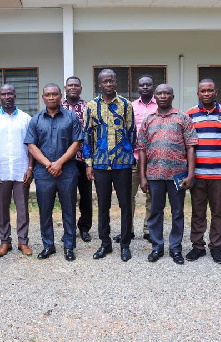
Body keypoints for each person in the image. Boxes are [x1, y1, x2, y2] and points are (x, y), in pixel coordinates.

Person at [138, 84, 198, 264]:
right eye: (160, 93)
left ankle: (175, 248)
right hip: (154, 175)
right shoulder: (148, 119)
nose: (163, 96)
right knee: (155, 212)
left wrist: (191, 174)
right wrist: (142, 176)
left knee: (177, 212)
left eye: (167, 93)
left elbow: (191, 147)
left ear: (172, 96)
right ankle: (157, 247)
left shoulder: (183, 118)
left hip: (177, 175)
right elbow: (141, 149)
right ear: (155, 96)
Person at [25, 83, 83, 261]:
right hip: (43, 173)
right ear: (43, 97)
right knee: (45, 211)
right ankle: (48, 245)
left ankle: (68, 246)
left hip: (68, 171)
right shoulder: (35, 120)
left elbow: (77, 143)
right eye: (47, 94)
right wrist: (48, 164)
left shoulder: (71, 118)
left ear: (60, 96)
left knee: (69, 210)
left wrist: (59, 163)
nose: (51, 97)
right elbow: (31, 145)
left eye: (54, 94)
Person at [83, 69, 136, 262]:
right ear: (99, 84)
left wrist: (127, 155)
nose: (108, 84)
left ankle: (124, 244)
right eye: (104, 81)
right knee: (103, 205)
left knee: (125, 205)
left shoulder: (125, 105)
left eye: (111, 81)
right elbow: (87, 136)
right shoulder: (91, 106)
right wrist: (89, 163)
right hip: (100, 164)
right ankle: (105, 243)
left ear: (115, 82)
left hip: (122, 164)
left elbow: (132, 131)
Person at [186, 79, 221, 264]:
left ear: (216, 92)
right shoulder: (190, 115)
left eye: (210, 90)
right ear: (198, 93)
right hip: (198, 173)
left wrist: (218, 156)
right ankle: (197, 246)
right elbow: (187, 144)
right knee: (198, 212)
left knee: (218, 211)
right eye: (203, 91)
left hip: (219, 173)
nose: (206, 93)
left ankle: (216, 247)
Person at [0, 84, 34, 258]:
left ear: (15, 96)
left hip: (21, 170)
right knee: (2, 208)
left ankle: (23, 242)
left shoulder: (26, 118)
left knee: (22, 209)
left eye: (10, 93)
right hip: (0, 170)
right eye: (3, 94)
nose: (7, 96)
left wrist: (30, 168)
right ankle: (5, 241)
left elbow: (31, 145)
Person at [113, 75, 157, 244]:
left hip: (153, 158)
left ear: (153, 87)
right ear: (137, 88)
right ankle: (128, 230)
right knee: (127, 196)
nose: (145, 87)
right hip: (132, 158)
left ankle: (149, 230)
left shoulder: (159, 105)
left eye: (148, 84)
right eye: (142, 85)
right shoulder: (130, 106)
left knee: (152, 196)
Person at [60, 76, 93, 242]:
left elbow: (92, 134)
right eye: (70, 85)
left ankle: (85, 228)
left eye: (76, 85)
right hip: (64, 161)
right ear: (65, 88)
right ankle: (69, 229)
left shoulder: (88, 107)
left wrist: (90, 161)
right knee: (67, 196)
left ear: (81, 88)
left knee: (86, 196)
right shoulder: (58, 106)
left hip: (83, 159)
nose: (73, 87)